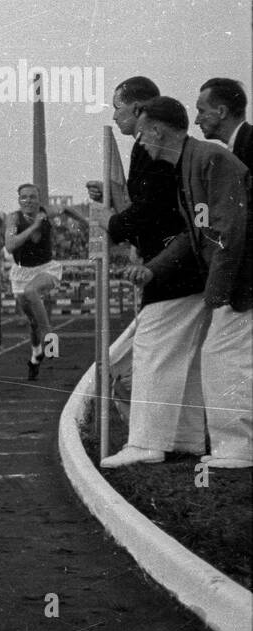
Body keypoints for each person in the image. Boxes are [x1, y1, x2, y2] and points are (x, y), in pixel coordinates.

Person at [89, 82, 208, 468]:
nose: (115, 116)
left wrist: (115, 223)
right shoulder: (152, 150)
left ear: (140, 111)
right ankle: (186, 440)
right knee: (182, 359)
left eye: (118, 108)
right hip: (181, 263)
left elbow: (152, 208)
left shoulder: (151, 151)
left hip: (172, 265)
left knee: (154, 352)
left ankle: (146, 442)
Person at [128, 96, 251, 470]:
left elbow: (230, 229)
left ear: (158, 130)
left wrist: (217, 291)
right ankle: (232, 447)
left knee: (223, 357)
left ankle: (238, 450)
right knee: (220, 356)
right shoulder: (188, 164)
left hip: (243, 279)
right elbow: (192, 235)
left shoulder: (210, 159)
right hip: (235, 279)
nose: (142, 144)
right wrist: (155, 269)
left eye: (142, 134)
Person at [4, 184, 62, 380]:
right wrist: (34, 227)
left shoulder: (47, 212)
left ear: (39, 199)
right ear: (19, 200)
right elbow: (10, 246)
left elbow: (68, 209)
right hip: (21, 272)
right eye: (24, 197)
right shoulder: (14, 219)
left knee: (31, 292)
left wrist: (87, 223)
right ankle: (36, 354)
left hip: (46, 268)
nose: (28, 200)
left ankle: (51, 340)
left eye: (32, 197)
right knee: (32, 323)